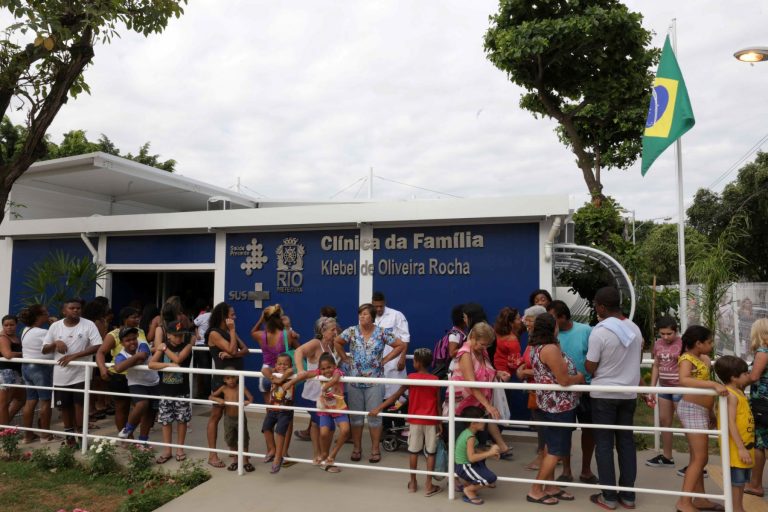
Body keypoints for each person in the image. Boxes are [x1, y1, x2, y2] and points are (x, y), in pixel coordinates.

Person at [585, 287, 643, 511]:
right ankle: (628, 496)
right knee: (626, 443)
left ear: (601, 306)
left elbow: (591, 366)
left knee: (604, 445)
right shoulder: (634, 329)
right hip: (628, 394)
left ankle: (608, 497)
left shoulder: (599, 331)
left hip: (603, 396)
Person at [335, 303, 406, 464]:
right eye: (360, 314)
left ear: (372, 317)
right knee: (356, 418)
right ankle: (357, 448)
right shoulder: (352, 331)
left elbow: (400, 345)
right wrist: (345, 359)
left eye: (365, 314)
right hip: (354, 381)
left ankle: (375, 449)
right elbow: (337, 342)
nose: (362, 317)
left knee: (375, 417)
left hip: (375, 381)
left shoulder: (381, 332)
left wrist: (385, 360)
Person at [526, 313, 585, 505]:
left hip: (548, 404)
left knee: (549, 447)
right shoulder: (550, 349)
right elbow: (564, 380)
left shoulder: (536, 347)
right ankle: (536, 489)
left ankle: (550, 486)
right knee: (556, 450)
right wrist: (580, 377)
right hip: (559, 407)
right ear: (552, 328)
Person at [371, 348, 443, 497]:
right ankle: (429, 485)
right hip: (431, 421)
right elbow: (437, 403)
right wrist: (440, 422)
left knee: (413, 451)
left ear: (416, 363)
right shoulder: (435, 380)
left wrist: (379, 408)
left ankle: (413, 483)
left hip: (415, 421)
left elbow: (396, 396)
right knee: (431, 453)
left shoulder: (411, 377)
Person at [674, 325, 728, 512]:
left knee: (696, 457)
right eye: (709, 342)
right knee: (701, 458)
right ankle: (684, 502)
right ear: (698, 343)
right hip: (691, 409)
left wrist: (710, 410)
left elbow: (700, 386)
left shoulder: (703, 358)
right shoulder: (687, 358)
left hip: (701, 410)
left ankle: (700, 499)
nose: (712, 345)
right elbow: (684, 379)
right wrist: (713, 384)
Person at [547, 300, 596, 484]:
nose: (550, 322)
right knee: (564, 432)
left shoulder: (586, 331)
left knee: (589, 431)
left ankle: (586, 470)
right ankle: (566, 470)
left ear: (563, 317)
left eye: (553, 318)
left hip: (586, 390)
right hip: (562, 392)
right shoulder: (550, 337)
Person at [43, 299, 102, 446]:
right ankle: (69, 437)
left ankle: (81, 436)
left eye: (78, 308)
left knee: (80, 405)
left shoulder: (88, 324)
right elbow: (44, 349)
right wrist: (55, 343)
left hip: (82, 372)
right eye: (72, 308)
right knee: (64, 406)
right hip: (61, 374)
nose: (76, 310)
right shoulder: (55, 326)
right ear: (64, 311)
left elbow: (98, 345)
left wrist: (74, 356)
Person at [450, 321, 513, 458]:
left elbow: (484, 371)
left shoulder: (481, 350)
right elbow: (471, 382)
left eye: (487, 345)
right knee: (464, 444)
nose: (485, 347)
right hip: (465, 406)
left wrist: (497, 373)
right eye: (483, 344)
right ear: (473, 338)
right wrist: (488, 406)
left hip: (478, 404)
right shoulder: (465, 353)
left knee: (477, 443)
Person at [293, 316, 343, 465]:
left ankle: (318, 455)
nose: (335, 332)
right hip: (313, 395)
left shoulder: (330, 346)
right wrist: (301, 370)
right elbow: (298, 351)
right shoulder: (316, 343)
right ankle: (325, 457)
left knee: (316, 425)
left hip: (327, 395)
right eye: (332, 329)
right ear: (323, 331)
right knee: (327, 427)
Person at [206, 302, 250, 468]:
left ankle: (238, 453)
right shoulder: (214, 333)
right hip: (222, 380)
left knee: (236, 416)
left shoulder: (229, 332)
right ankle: (212, 455)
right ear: (224, 316)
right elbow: (232, 349)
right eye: (232, 315)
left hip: (236, 380)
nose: (235, 317)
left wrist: (232, 356)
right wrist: (232, 332)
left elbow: (245, 349)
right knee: (216, 416)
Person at [292, 352, 350, 473]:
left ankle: (332, 455)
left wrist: (325, 386)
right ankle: (324, 453)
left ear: (335, 366)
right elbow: (307, 374)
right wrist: (290, 382)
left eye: (329, 367)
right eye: (323, 368)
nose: (326, 370)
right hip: (325, 409)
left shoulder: (337, 372)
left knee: (345, 431)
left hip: (339, 408)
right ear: (319, 369)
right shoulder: (319, 373)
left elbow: (335, 379)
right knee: (323, 433)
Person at [96, 307, 147, 434]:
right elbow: (101, 352)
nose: (137, 319)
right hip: (121, 376)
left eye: (138, 316)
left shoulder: (140, 331)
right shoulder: (113, 334)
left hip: (140, 376)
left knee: (141, 408)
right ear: (125, 319)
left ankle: (136, 435)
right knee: (122, 408)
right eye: (134, 317)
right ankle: (126, 438)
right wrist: (102, 368)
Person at [714, 355, 755, 512]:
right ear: (734, 377)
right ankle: (736, 509)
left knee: (741, 481)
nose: (748, 376)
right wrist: (740, 448)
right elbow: (730, 422)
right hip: (737, 448)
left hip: (745, 444)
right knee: (737, 482)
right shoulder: (731, 395)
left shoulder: (738, 392)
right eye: (745, 373)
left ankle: (738, 507)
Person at [149, 322, 193, 464]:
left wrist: (164, 348)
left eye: (181, 335)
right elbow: (151, 364)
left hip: (182, 390)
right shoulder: (162, 347)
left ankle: (180, 449)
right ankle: (167, 450)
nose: (179, 338)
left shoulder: (186, 346)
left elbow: (178, 359)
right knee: (166, 421)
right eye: (176, 335)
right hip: (165, 391)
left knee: (182, 420)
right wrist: (167, 365)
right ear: (168, 335)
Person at [645, 316, 683, 469]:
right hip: (664, 387)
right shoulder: (658, 344)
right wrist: (652, 388)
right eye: (662, 334)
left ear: (676, 331)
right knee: (664, 421)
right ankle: (667, 456)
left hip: (680, 388)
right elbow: (656, 365)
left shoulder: (683, 343)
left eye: (669, 334)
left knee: (686, 423)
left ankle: (698, 462)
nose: (666, 337)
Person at [114, 327, 159, 442]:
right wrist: (136, 357)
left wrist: (129, 362)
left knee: (149, 414)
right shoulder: (120, 355)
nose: (132, 342)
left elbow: (143, 356)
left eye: (134, 338)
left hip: (153, 382)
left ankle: (143, 441)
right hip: (136, 383)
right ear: (122, 343)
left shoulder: (143, 344)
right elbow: (118, 368)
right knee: (142, 404)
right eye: (128, 340)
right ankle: (128, 428)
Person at [517, 304, 547, 471]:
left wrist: (524, 371)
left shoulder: (546, 342)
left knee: (544, 426)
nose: (525, 323)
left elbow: (544, 367)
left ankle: (544, 456)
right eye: (525, 319)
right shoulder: (531, 340)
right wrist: (520, 368)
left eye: (528, 320)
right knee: (540, 425)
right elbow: (525, 360)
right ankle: (543, 453)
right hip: (534, 391)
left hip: (543, 392)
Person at [250, 304, 300, 404]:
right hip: (284, 375)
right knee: (286, 411)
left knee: (270, 410)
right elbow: (300, 350)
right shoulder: (288, 334)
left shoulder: (260, 335)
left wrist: (261, 318)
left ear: (266, 319)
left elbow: (253, 331)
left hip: (266, 374)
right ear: (279, 318)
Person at [19, 305, 55, 443]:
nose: (48, 314)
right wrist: (54, 325)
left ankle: (27, 436)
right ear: (39, 317)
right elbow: (57, 342)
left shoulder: (25, 330)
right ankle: (46, 435)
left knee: (30, 401)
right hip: (41, 368)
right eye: (46, 313)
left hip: (26, 367)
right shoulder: (42, 332)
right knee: (45, 401)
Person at [454, 405, 501, 505]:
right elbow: (471, 458)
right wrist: (490, 452)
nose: (484, 422)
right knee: (491, 478)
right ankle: (469, 490)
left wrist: (490, 454)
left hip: (465, 465)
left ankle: (471, 482)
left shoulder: (467, 433)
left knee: (483, 460)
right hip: (464, 467)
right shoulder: (470, 437)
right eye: (482, 420)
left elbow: (475, 451)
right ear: (473, 423)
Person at [210, 370, 255, 472]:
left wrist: (247, 402)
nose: (231, 380)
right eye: (228, 378)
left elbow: (251, 397)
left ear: (237, 378)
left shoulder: (241, 387)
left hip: (240, 417)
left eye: (233, 377)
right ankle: (235, 460)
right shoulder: (223, 388)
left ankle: (245, 461)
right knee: (230, 439)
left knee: (244, 439)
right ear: (224, 380)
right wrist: (219, 400)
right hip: (228, 418)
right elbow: (211, 396)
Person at [372, 291, 410, 400]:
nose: (378, 309)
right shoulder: (369, 317)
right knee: (378, 397)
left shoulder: (396, 315)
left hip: (395, 361)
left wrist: (402, 357)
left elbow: (405, 337)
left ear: (385, 303)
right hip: (376, 363)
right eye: (376, 306)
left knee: (397, 396)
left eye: (381, 306)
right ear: (372, 304)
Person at [261, 353, 295, 473]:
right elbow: (264, 369)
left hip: (285, 409)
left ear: (290, 365)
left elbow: (289, 371)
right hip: (272, 408)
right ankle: (272, 450)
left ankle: (278, 457)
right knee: (266, 428)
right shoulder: (273, 372)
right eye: (280, 364)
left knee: (280, 431)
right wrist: (272, 378)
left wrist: (279, 380)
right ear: (275, 365)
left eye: (285, 364)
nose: (282, 366)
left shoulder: (291, 372)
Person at [746, 318, 768, 497]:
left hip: (762, 402)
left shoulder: (763, 351)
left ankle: (755, 484)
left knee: (759, 442)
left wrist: (734, 380)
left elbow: (754, 376)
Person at [0, 315, 24, 428]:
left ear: (16, 325)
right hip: (5, 372)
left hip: (16, 373)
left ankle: (4, 426)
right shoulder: (3, 337)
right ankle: (4, 432)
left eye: (11, 325)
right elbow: (8, 354)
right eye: (6, 325)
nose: (9, 327)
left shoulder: (17, 337)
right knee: (4, 403)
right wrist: (24, 354)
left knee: (21, 398)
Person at [192, 301, 213, 399]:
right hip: (209, 345)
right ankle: (206, 394)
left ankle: (204, 395)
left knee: (203, 370)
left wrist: (196, 334)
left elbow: (193, 324)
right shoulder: (213, 316)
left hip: (201, 345)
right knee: (207, 370)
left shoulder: (203, 315)